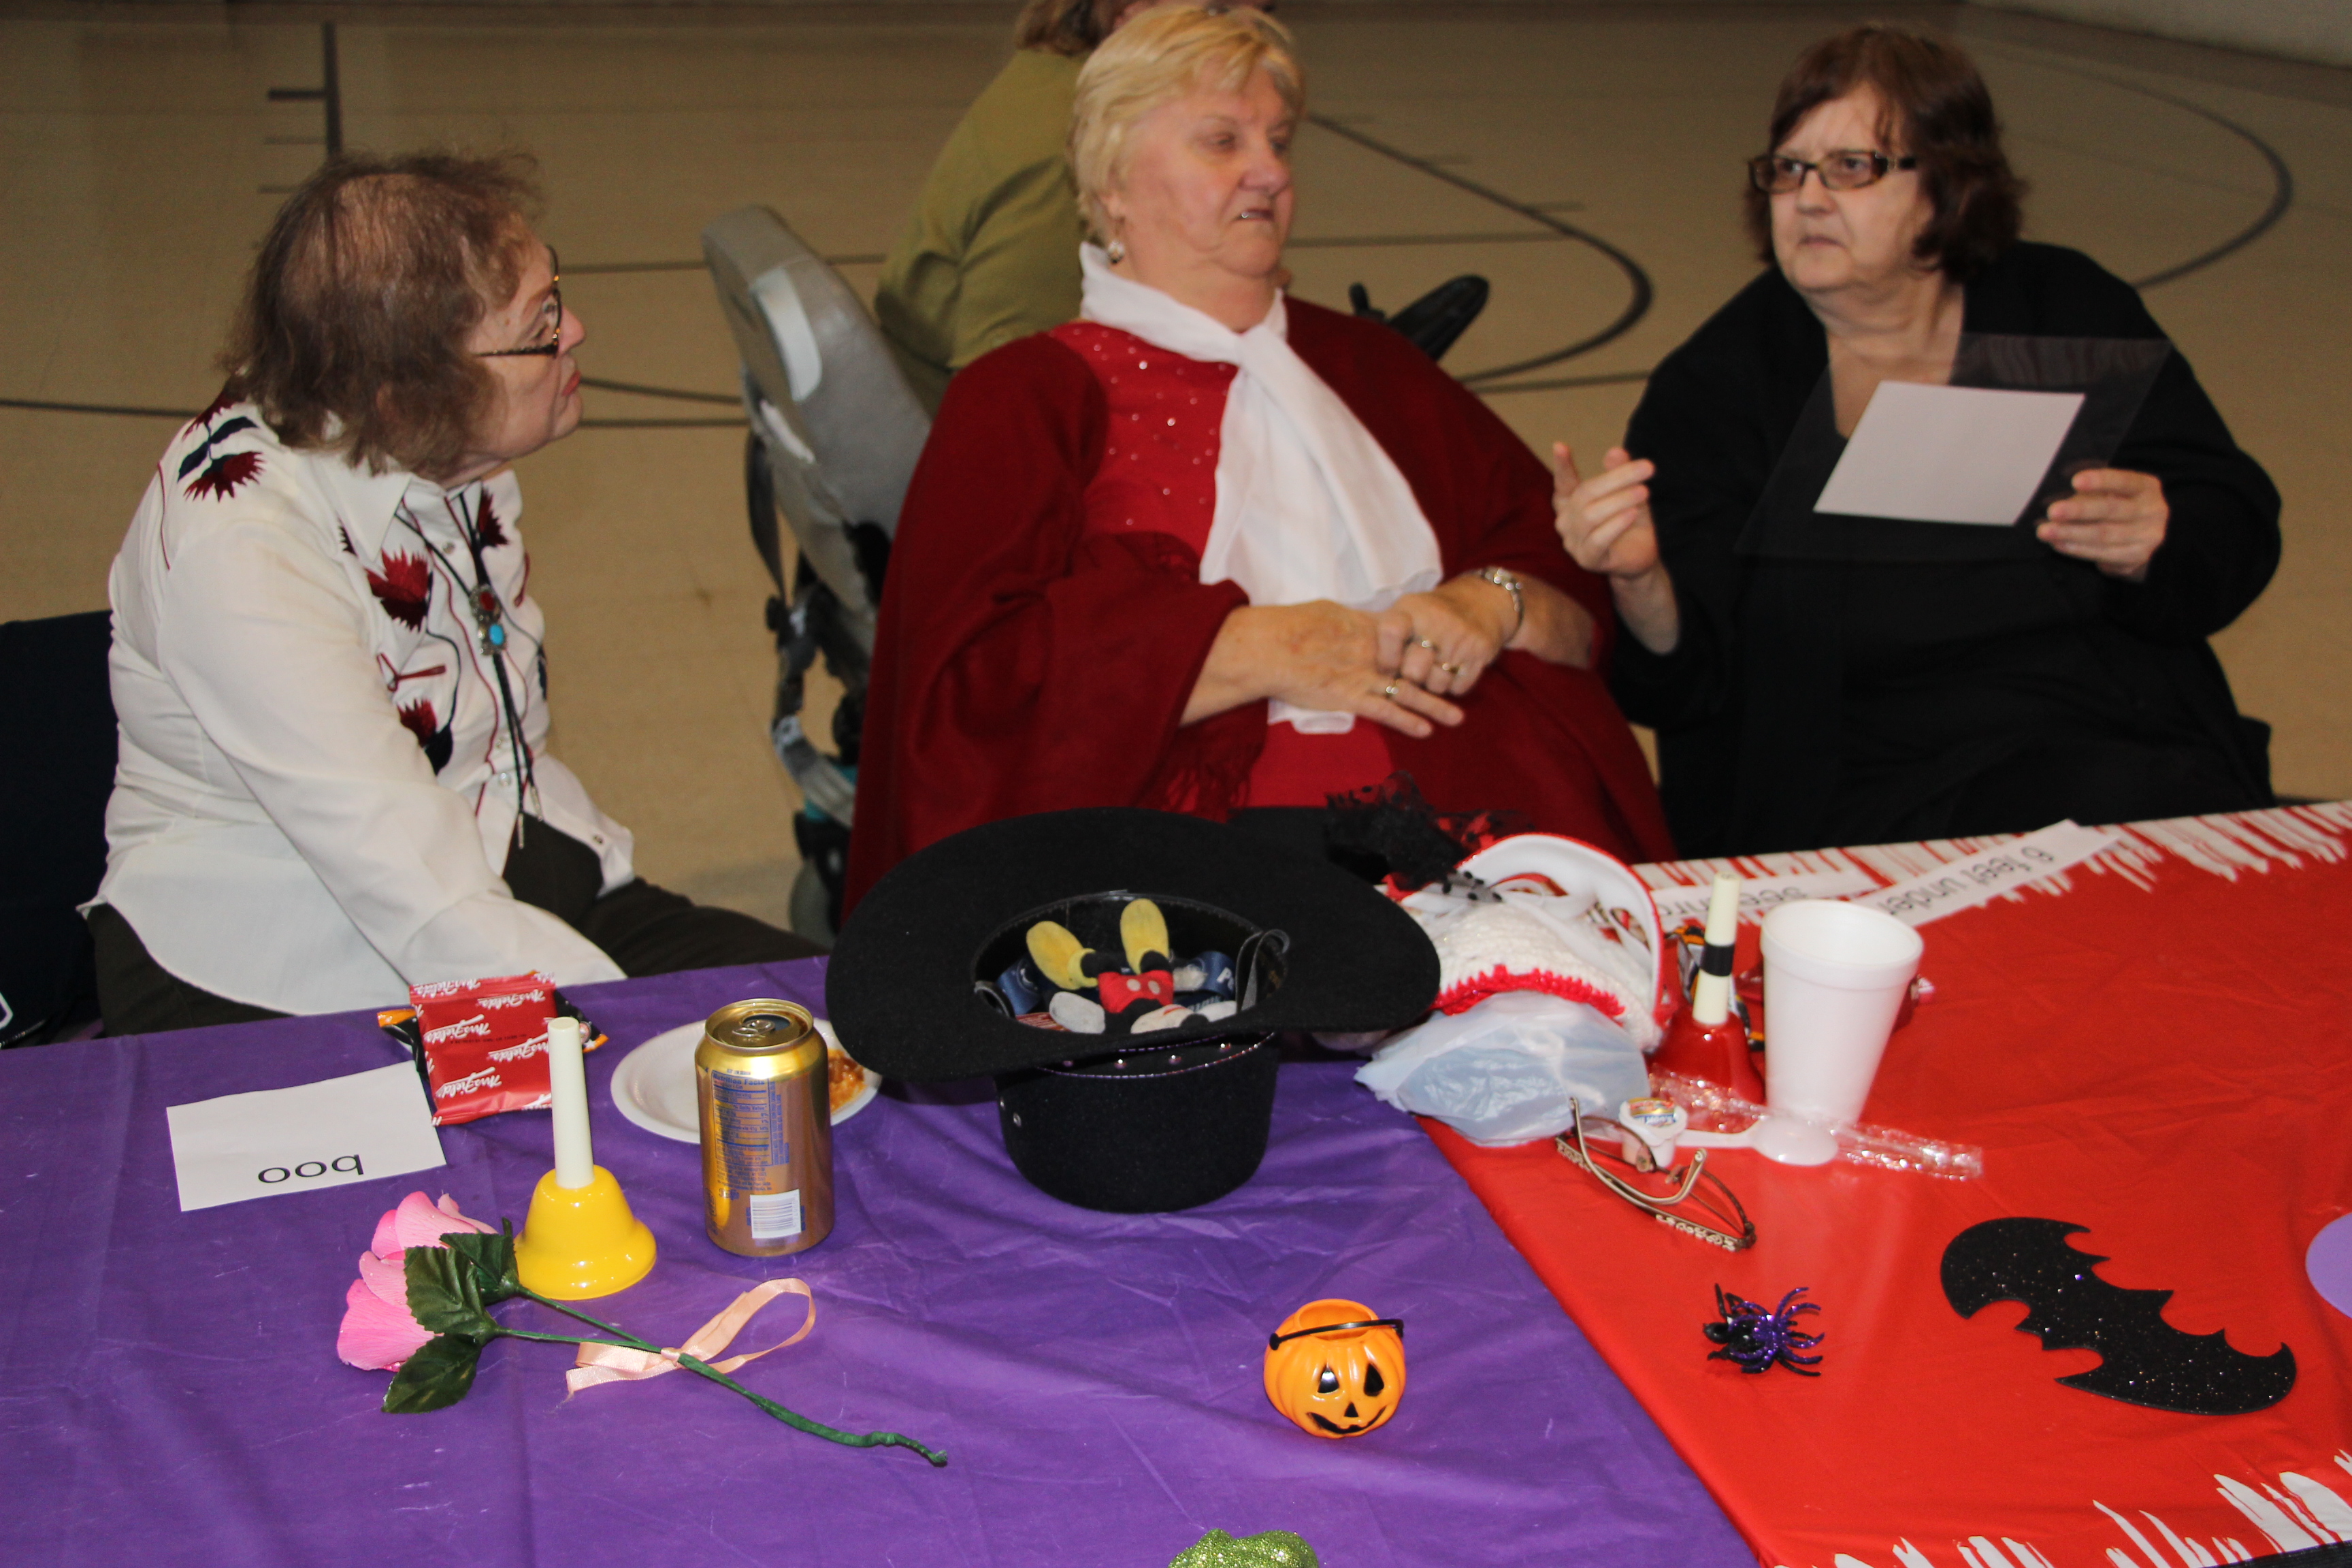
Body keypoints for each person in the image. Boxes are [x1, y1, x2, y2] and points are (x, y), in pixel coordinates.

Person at [846, 5, 1671, 908]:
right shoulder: (1022, 397)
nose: (1272, 171)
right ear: (1113, 184)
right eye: (1222, 141)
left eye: (1278, 141)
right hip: (1184, 872)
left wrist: (1491, 599)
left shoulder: (1371, 368)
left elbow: (1566, 589)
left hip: (1476, 827)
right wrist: (1251, 648)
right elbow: (962, 697)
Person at [94, 152, 818, 1035]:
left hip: (490, 860)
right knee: (723, 1070)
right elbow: (421, 902)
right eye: (539, 324)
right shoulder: (244, 557)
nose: (575, 330)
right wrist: (630, 1028)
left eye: (556, 295)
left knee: (828, 1016)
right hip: (284, 967)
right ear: (407, 399)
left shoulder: (434, 437)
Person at [1556, 25, 2280, 858]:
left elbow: (2234, 524)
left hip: (2104, 732)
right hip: (1852, 791)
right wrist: (1641, 582)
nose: (1808, 199)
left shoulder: (2067, 309)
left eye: (1851, 167)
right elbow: (1682, 688)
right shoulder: (1720, 386)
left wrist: (2159, 535)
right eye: (1788, 170)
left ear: (1947, 185)